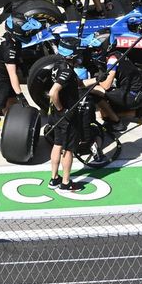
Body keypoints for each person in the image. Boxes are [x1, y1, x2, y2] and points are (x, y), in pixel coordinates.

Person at [0, 14, 41, 150]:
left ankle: (10, 126)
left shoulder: (12, 38)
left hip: (3, 74)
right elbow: (12, 73)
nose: (28, 33)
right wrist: (20, 94)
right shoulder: (10, 47)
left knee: (10, 101)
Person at [85, 38, 142, 131]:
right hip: (137, 91)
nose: (93, 52)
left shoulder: (112, 60)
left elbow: (106, 85)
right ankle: (137, 113)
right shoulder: (117, 54)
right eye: (92, 50)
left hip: (132, 95)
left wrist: (91, 82)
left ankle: (117, 123)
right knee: (104, 114)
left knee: (93, 91)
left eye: (96, 49)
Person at [48, 37, 86, 192]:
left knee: (57, 144)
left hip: (57, 116)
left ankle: (54, 178)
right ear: (72, 56)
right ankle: (65, 183)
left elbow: (79, 85)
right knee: (68, 149)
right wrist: (61, 109)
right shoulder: (67, 71)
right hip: (66, 116)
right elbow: (53, 92)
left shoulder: (58, 66)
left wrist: (97, 79)